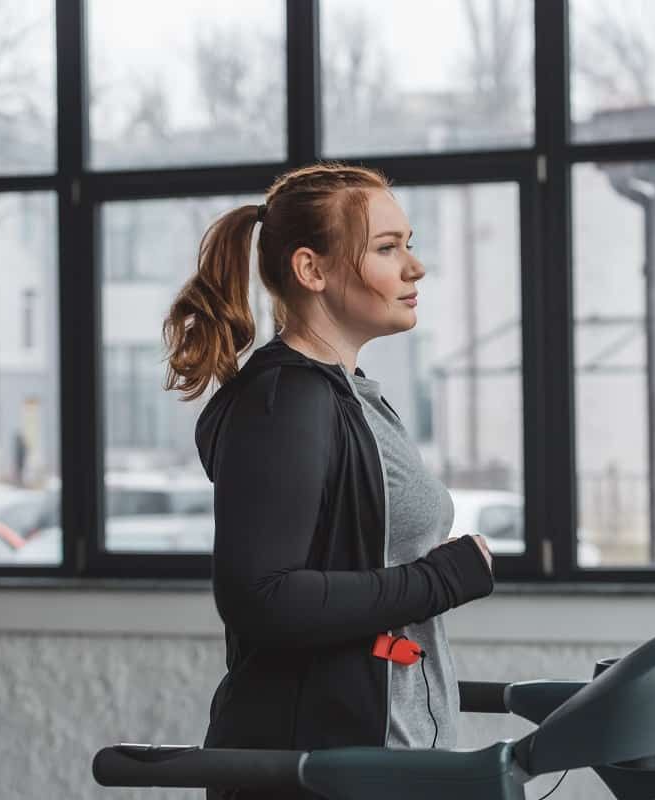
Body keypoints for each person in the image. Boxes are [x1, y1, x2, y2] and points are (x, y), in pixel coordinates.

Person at [162, 163, 495, 800]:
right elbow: (260, 597)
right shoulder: (286, 403)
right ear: (312, 270)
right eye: (387, 248)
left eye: (410, 244)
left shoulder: (349, 395)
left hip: (387, 759)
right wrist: (441, 580)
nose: (414, 268)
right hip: (322, 771)